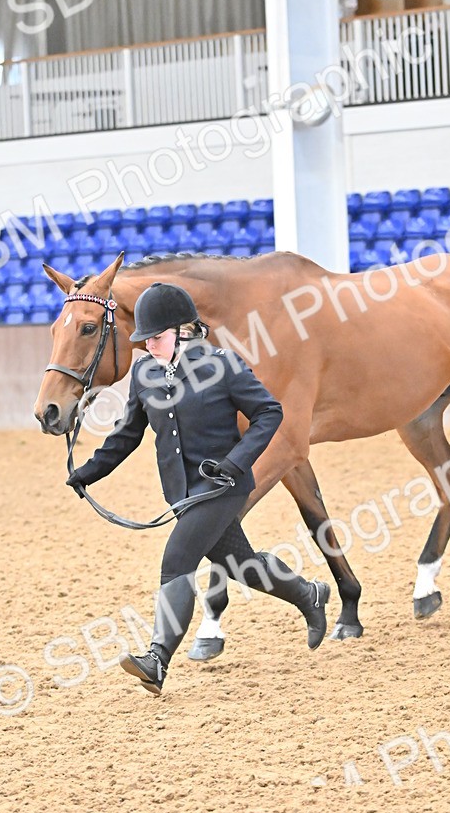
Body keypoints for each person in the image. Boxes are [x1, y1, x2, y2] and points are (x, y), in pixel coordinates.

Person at [66, 281, 329, 696]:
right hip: (183, 494)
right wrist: (89, 472)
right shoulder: (145, 372)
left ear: (182, 330)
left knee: (176, 562)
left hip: (224, 486)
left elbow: (268, 413)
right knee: (243, 564)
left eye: (155, 338)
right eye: (145, 340)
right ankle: (309, 594)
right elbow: (128, 434)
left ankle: (157, 659)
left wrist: (236, 462)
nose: (148, 346)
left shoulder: (223, 365)